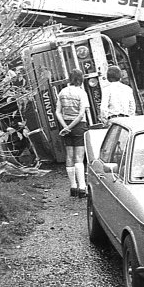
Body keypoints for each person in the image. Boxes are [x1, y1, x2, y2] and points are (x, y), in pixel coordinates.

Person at [55, 69, 90, 198]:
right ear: (81, 79)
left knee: (69, 156)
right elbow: (82, 114)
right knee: (79, 158)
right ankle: (82, 187)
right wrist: (71, 126)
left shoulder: (62, 92)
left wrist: (65, 127)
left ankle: (73, 186)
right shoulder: (82, 93)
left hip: (66, 126)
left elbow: (57, 112)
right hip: (78, 126)